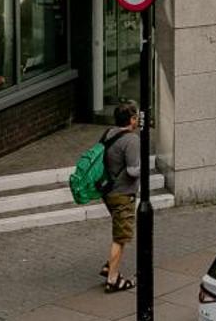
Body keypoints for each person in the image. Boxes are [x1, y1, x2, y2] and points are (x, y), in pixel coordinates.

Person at [101, 104, 140, 294]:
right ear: (131, 119)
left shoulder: (109, 133)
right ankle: (113, 279)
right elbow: (133, 170)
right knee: (120, 237)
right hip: (123, 194)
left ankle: (109, 266)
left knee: (119, 229)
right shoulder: (131, 140)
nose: (138, 119)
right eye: (135, 116)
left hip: (108, 192)